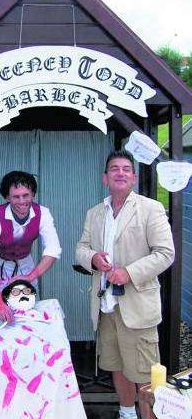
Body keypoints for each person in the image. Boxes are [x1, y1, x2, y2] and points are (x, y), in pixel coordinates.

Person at [75, 150, 175, 419]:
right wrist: (93, 258)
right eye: (114, 169)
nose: (120, 172)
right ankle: (127, 412)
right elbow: (81, 248)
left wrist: (129, 273)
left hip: (137, 306)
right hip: (106, 307)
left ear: (134, 177)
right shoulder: (95, 212)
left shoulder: (150, 208)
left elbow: (165, 253)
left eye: (126, 169)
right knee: (116, 366)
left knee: (144, 372)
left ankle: (150, 416)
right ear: (104, 178)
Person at [0, 279, 87, 419]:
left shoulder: (50, 323)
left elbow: (61, 350)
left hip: (44, 396)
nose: (23, 294)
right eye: (16, 292)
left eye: (27, 291)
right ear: (7, 300)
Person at [0, 170, 61, 329]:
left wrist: (30, 276)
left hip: (25, 263)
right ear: (7, 197)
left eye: (26, 195)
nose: (22, 201)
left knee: (28, 309)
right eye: (16, 197)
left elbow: (53, 249)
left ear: (33, 194)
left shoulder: (43, 213)